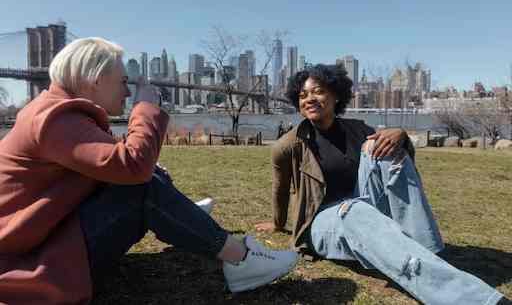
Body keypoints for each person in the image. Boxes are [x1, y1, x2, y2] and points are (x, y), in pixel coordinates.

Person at [0, 37, 297, 304]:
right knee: (141, 185)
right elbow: (133, 166)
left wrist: (146, 169)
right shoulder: (55, 118)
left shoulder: (53, 110)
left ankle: (182, 217)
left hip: (41, 243)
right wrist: (145, 107)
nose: (128, 91)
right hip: (33, 266)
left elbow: (114, 164)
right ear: (95, 79)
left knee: (150, 175)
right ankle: (241, 260)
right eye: (122, 81)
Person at [255, 64, 510, 305]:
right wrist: (278, 224)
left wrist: (400, 136)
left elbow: (395, 169)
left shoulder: (357, 129)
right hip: (323, 222)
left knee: (386, 146)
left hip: (367, 206)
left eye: (318, 91)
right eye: (302, 95)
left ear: (336, 97)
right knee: (353, 210)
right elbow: (280, 188)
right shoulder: (289, 144)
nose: (309, 99)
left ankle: (426, 252)